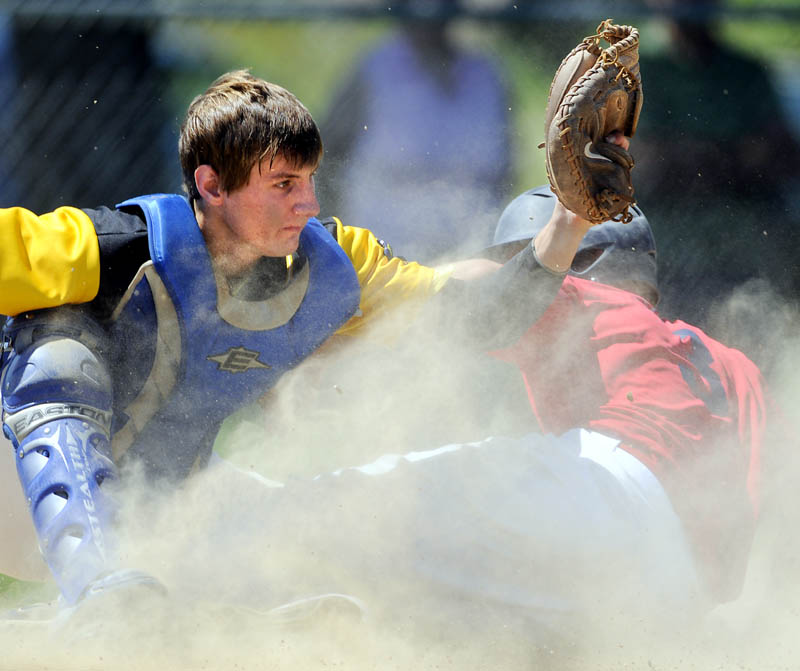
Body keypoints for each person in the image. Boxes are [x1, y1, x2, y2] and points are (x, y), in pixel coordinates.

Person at [0, 69, 587, 608]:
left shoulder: (334, 269)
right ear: (211, 185)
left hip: (155, 515)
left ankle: (222, 619)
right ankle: (100, 592)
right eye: (283, 183)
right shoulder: (109, 245)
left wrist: (570, 219)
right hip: (17, 501)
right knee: (58, 349)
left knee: (308, 520)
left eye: (309, 179)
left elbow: (480, 319)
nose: (307, 202)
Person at [317, 0, 512, 264]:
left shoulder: (486, 73)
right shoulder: (375, 67)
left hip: (470, 242)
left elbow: (507, 166)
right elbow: (327, 155)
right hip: (386, 247)